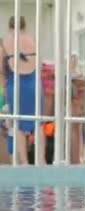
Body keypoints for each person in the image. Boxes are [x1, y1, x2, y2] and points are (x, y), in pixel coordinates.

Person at [0, 16, 46, 165]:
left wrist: (4, 92)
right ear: (25, 26)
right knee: (38, 123)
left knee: (18, 124)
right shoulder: (33, 39)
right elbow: (40, 65)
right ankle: (41, 160)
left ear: (10, 27)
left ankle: (25, 162)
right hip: (34, 83)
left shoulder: (5, 43)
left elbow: (1, 71)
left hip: (16, 84)